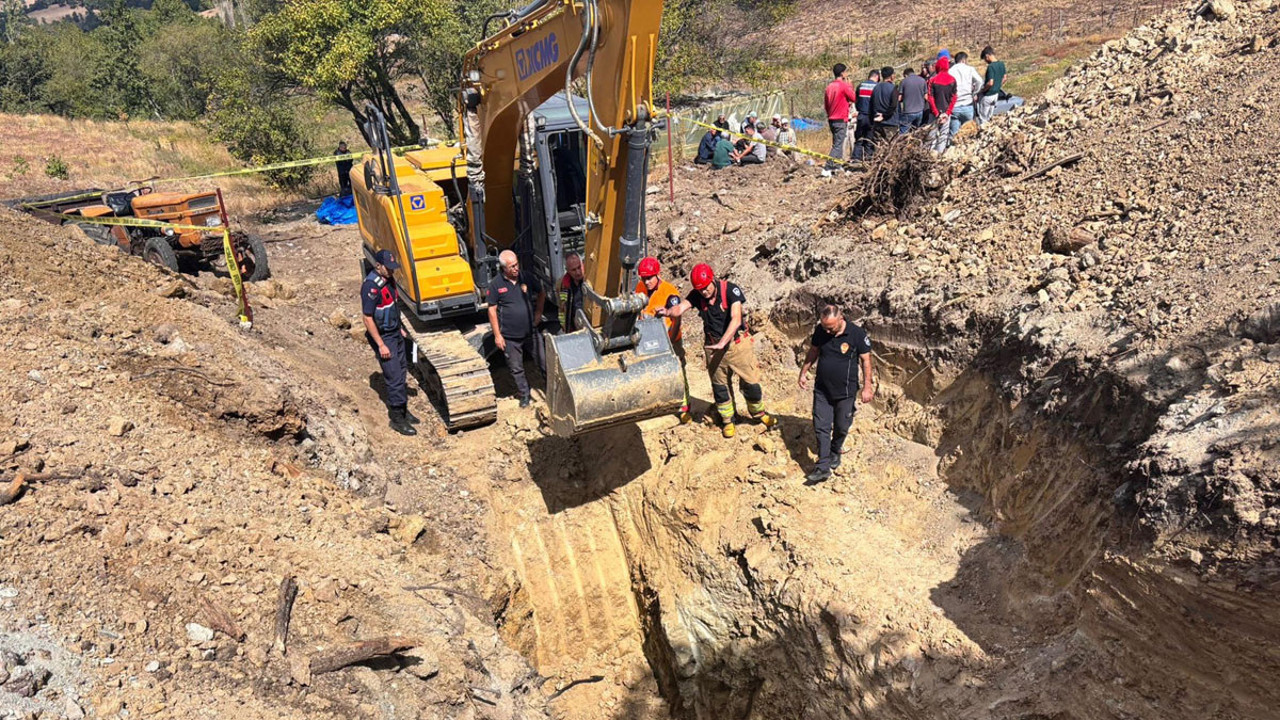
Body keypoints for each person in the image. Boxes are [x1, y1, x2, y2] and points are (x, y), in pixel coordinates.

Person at [658, 264, 776, 438]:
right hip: (713, 348)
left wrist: (723, 342)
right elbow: (681, 308)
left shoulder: (730, 290)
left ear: (712, 280)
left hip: (736, 345)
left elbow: (736, 319)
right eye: (700, 289)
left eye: (706, 287)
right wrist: (668, 312)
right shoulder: (697, 295)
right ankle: (728, 420)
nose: (704, 292)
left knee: (751, 383)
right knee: (720, 388)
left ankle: (759, 414)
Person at [797, 305, 873, 485]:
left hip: (845, 392)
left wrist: (867, 387)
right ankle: (822, 466)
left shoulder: (857, 334)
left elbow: (866, 360)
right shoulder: (821, 331)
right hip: (822, 389)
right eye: (824, 327)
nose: (827, 330)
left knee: (841, 426)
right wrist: (803, 372)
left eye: (830, 327)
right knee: (821, 426)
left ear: (841, 319)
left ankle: (835, 450)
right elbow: (813, 351)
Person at [361, 249, 418, 436]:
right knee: (394, 377)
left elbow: (393, 306)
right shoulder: (371, 287)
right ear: (379, 266)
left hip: (394, 332)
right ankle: (396, 419)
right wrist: (381, 344)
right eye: (389, 268)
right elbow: (368, 318)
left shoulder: (389, 280)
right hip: (384, 337)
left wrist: (400, 327)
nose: (392, 271)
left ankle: (403, 410)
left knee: (402, 370)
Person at [487, 249, 546, 408]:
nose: (515, 268)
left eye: (516, 264)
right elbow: (492, 309)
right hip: (510, 337)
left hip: (530, 332)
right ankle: (524, 395)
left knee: (543, 360)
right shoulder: (496, 284)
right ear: (503, 268)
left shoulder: (526, 277)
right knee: (516, 368)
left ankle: (551, 388)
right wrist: (497, 335)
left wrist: (539, 312)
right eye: (511, 266)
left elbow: (541, 292)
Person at [636, 257, 691, 423]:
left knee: (678, 371)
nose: (646, 282)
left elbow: (677, 319)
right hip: (649, 340)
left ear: (657, 275)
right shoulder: (640, 288)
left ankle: (683, 407)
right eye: (643, 278)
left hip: (669, 339)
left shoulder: (669, 293)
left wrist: (673, 339)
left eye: (649, 278)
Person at [822, 63, 857, 175]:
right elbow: (854, 98)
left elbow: (826, 105)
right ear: (842, 73)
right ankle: (827, 167)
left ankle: (836, 165)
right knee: (838, 145)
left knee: (836, 143)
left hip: (831, 119)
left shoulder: (829, 87)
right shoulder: (843, 85)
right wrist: (850, 86)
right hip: (840, 119)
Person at [927, 55, 958, 153]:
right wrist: (947, 113)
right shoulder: (953, 80)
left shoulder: (933, 80)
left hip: (934, 114)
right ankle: (940, 155)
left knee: (931, 135)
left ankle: (929, 155)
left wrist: (936, 113)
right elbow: (954, 98)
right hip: (946, 113)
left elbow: (930, 97)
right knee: (943, 136)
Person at [949, 51, 983, 139]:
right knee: (968, 133)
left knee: (954, 133)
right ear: (964, 60)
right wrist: (975, 92)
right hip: (967, 104)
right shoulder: (970, 69)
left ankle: (953, 150)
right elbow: (979, 81)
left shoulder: (950, 71)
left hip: (954, 106)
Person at [853, 68, 880, 160]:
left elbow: (856, 100)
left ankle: (856, 158)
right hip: (871, 117)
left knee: (859, 138)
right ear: (877, 77)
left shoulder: (861, 85)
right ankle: (868, 159)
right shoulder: (877, 86)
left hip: (861, 115)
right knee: (869, 139)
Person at [557, 252, 586, 333]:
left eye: (579, 267)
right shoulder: (562, 285)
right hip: (575, 329)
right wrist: (564, 327)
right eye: (573, 270)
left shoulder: (589, 281)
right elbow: (562, 309)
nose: (578, 272)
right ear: (568, 271)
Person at [870, 66, 899, 146]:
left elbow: (871, 104)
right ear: (891, 76)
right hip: (890, 123)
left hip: (877, 122)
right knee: (891, 147)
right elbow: (893, 105)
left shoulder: (876, 87)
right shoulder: (893, 88)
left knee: (878, 147)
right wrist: (885, 116)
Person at [979, 46, 1006, 125]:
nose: (985, 61)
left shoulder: (991, 67)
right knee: (990, 116)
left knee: (983, 118)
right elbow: (1004, 78)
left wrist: (983, 90)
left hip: (988, 95)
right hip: (996, 95)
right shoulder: (1001, 64)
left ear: (987, 56)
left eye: (985, 59)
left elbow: (990, 82)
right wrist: (997, 86)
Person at [897, 67, 927, 134]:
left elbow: (899, 98)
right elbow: (926, 97)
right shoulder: (922, 80)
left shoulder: (904, 82)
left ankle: (902, 144)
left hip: (908, 111)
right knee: (916, 131)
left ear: (905, 75)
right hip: (919, 111)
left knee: (903, 132)